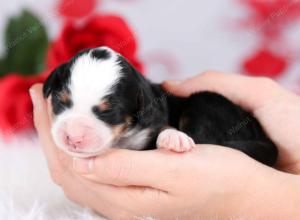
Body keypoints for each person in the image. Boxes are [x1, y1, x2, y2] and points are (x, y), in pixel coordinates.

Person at [29, 71, 300, 219]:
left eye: (106, 112)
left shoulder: (150, 110)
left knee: (205, 101)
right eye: (63, 104)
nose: (73, 131)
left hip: (229, 130)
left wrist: (254, 195)